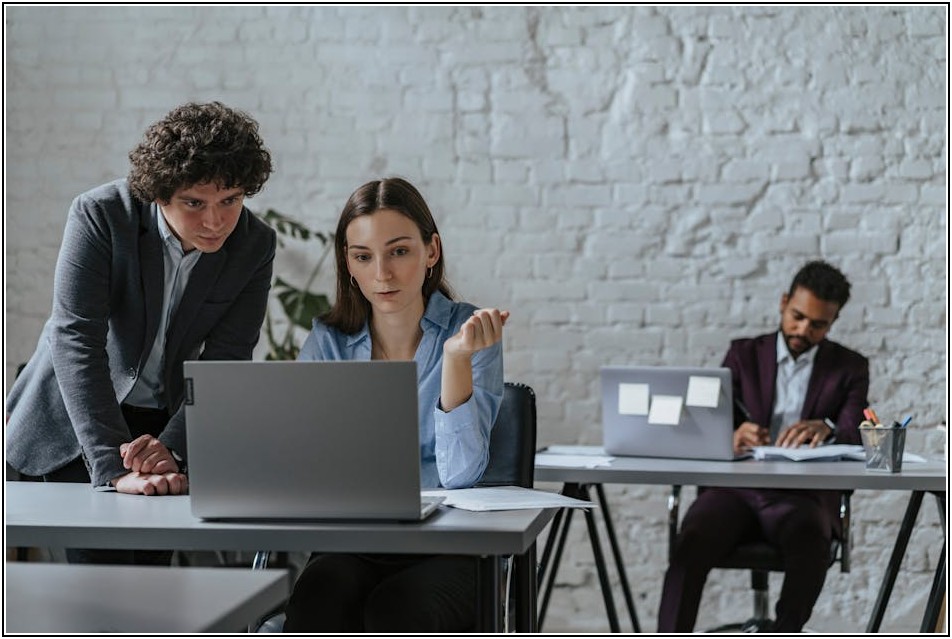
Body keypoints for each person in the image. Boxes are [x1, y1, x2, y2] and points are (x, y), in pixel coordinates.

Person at [5, 101, 276, 563]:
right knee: (102, 586)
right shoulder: (100, 215)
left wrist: (170, 448)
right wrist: (112, 466)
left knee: (153, 588)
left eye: (229, 200)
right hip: (76, 423)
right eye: (195, 203)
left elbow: (225, 359)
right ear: (159, 193)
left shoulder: (254, 244)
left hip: (162, 427)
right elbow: (77, 341)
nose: (215, 222)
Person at [282, 177, 508, 633]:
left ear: (432, 251)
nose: (382, 273)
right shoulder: (330, 342)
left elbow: (461, 474)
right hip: (353, 540)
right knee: (317, 599)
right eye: (364, 256)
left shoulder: (469, 331)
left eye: (399, 251)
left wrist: (456, 360)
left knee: (396, 608)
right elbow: (303, 464)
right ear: (349, 263)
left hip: (448, 546)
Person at [657, 260, 870, 633]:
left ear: (833, 322)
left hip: (802, 496)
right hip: (734, 489)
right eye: (797, 316)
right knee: (690, 544)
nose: (803, 329)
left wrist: (828, 426)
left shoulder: (849, 367)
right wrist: (732, 436)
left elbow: (855, 430)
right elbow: (708, 419)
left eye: (818, 324)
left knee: (810, 545)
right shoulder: (743, 354)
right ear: (784, 302)